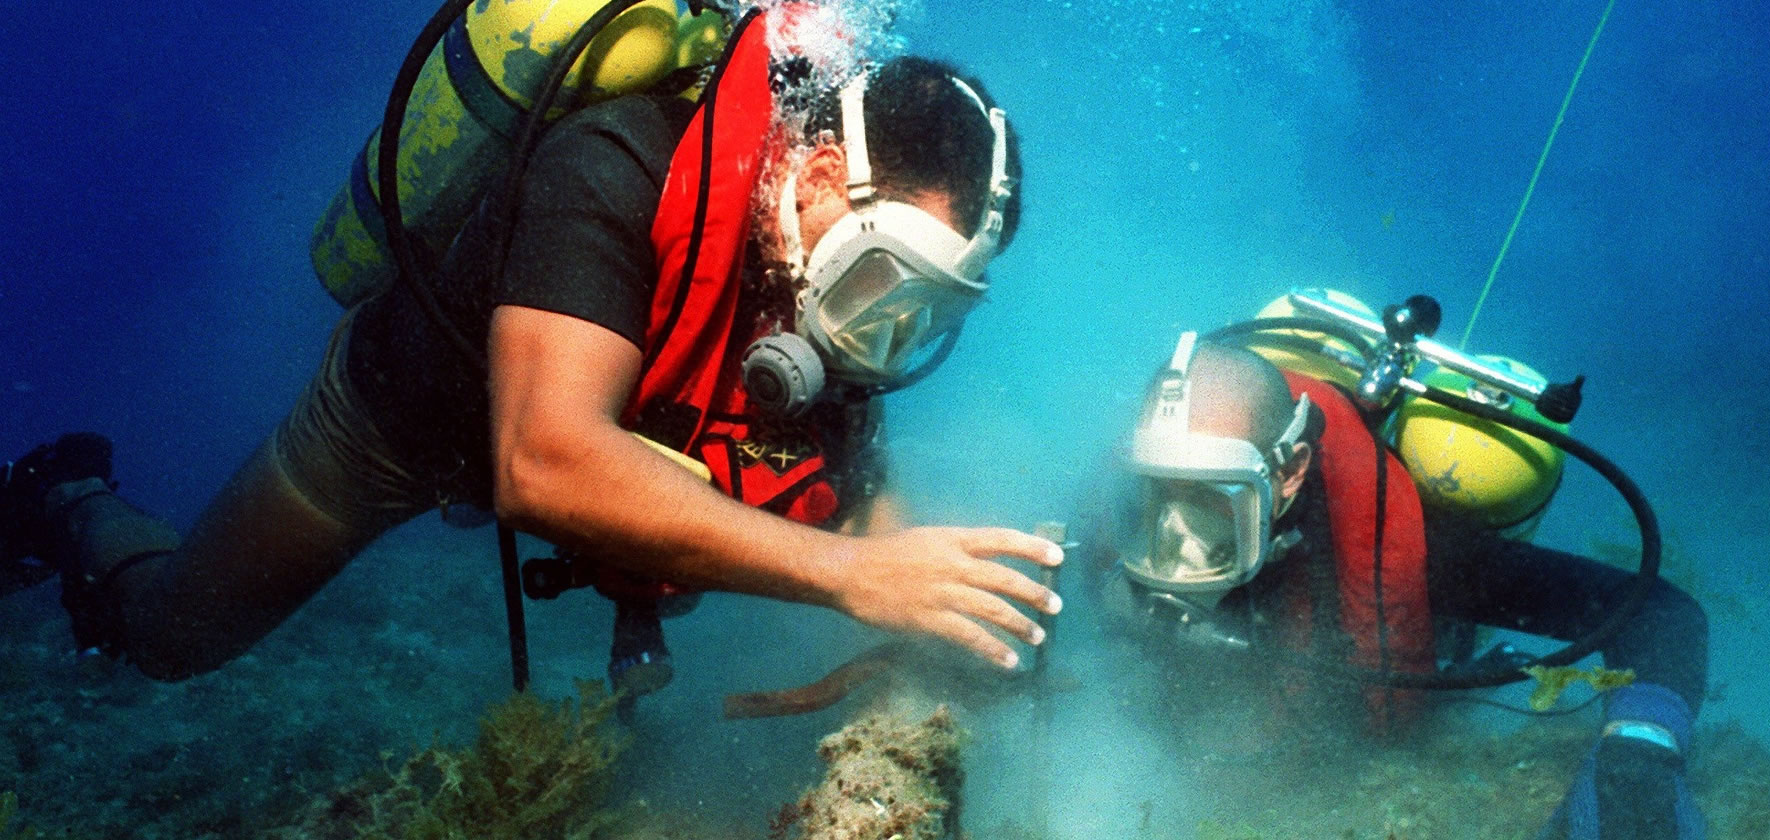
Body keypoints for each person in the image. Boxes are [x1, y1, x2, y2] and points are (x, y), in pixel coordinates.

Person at [0, 6, 1061, 693]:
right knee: (174, 640)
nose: (889, 337)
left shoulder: (824, 272)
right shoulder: (610, 165)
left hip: (577, 436)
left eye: (932, 313)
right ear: (824, 176)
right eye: (894, 286)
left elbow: (876, 515)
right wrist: (850, 578)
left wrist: (928, 631)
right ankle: (69, 499)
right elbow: (544, 461)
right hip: (398, 422)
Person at [1094, 329, 1709, 840]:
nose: (1174, 540)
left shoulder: (1423, 551)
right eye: (1154, 494)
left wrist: (1639, 751)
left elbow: (1660, 614)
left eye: (1209, 501)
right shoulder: (1112, 514)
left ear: (1288, 476)